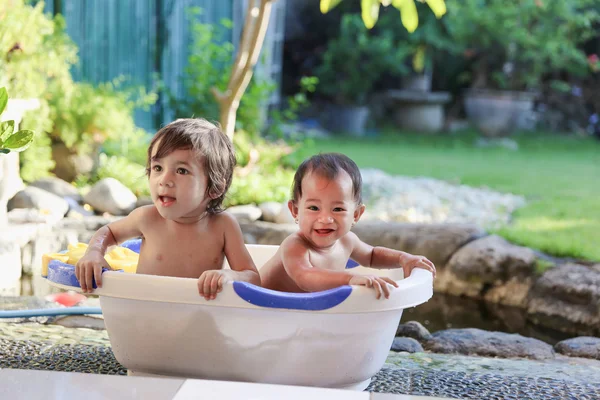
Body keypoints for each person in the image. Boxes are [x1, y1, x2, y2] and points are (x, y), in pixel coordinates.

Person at [75, 118, 260, 299]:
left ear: (215, 188)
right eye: (157, 168)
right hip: (144, 315)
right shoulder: (147, 218)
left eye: (181, 171)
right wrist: (94, 252)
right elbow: (109, 232)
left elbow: (252, 277)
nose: (164, 179)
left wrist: (230, 276)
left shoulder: (222, 226)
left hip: (197, 320)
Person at [260, 153, 436, 299]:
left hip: (300, 313)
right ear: (295, 211)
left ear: (356, 214)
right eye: (314, 208)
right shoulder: (295, 246)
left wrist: (403, 258)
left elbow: (372, 256)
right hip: (260, 309)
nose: (326, 218)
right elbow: (305, 277)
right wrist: (350, 278)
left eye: (338, 209)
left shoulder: (347, 241)